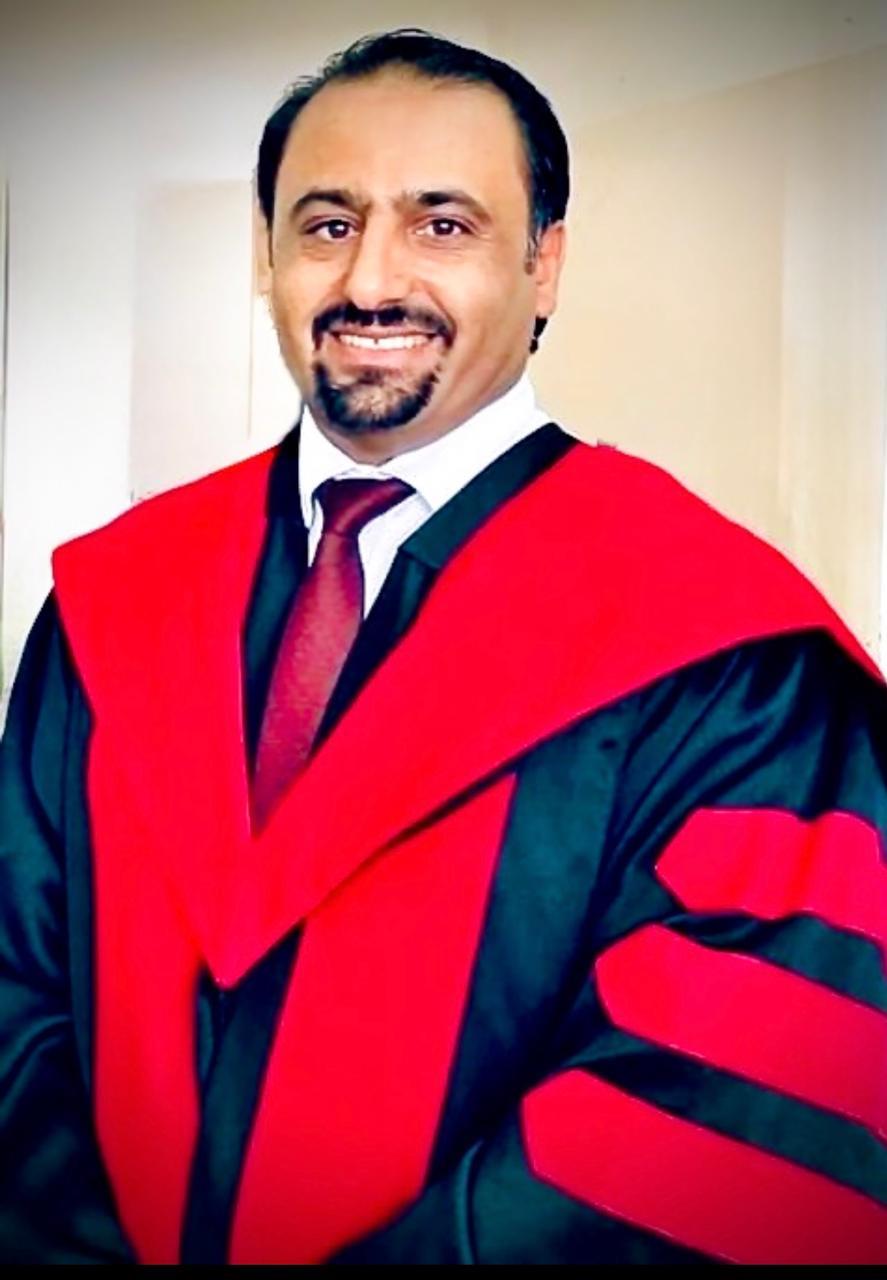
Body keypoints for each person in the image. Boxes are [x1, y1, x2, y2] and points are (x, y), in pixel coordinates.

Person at [0, 28, 885, 1266]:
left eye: (442, 224)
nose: (371, 278)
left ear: (543, 264)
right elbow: (19, 989)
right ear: (267, 255)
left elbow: (728, 1111)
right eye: (326, 223)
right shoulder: (112, 602)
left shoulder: (731, 661)